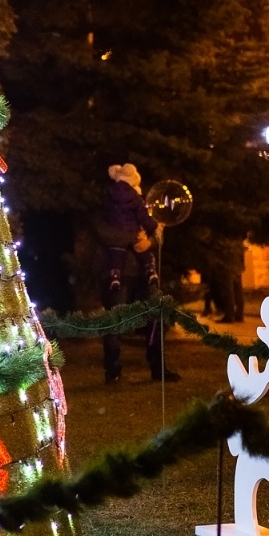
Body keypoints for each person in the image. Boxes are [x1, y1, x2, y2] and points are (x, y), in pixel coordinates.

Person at [94, 163, 164, 383]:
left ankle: (158, 368)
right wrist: (136, 239)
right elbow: (105, 234)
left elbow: (156, 234)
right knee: (114, 322)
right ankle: (112, 371)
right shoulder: (106, 205)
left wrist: (150, 240)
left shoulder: (139, 203)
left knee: (155, 316)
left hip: (144, 273)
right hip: (116, 274)